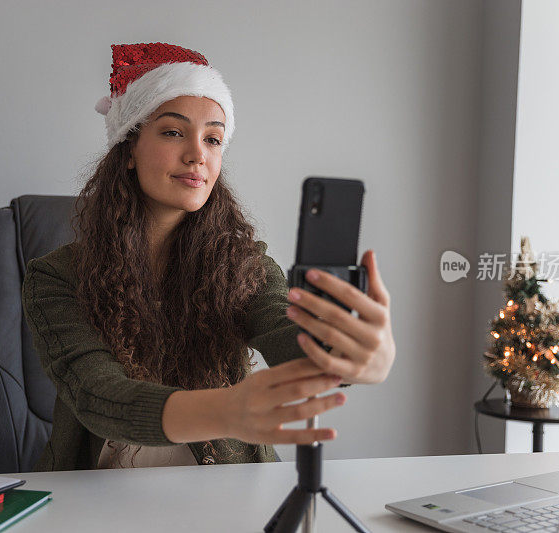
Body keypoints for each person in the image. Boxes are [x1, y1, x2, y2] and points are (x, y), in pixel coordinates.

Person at [21, 42, 396, 471]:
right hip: (99, 495)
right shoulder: (57, 277)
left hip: (228, 488)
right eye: (173, 132)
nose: (198, 153)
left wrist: (350, 353)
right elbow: (96, 393)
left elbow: (283, 329)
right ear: (128, 149)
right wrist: (226, 410)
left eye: (213, 138)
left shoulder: (245, 266)